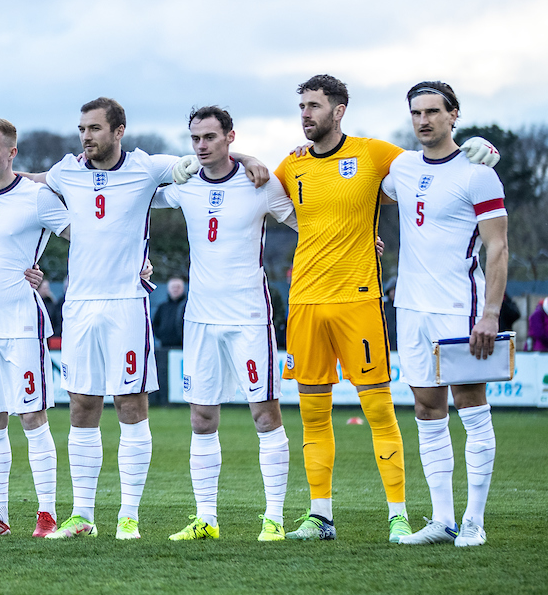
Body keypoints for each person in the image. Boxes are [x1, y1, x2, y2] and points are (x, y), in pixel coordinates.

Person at [0, 97, 267, 539]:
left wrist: (246, 156)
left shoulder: (147, 168)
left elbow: (204, 161)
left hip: (126, 305)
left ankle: (128, 516)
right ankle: (83, 516)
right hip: (78, 306)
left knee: (131, 405)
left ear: (118, 131)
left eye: (94, 128)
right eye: (81, 129)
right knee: (82, 407)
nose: (86, 137)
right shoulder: (67, 171)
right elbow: (27, 180)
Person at [271, 74, 497, 543]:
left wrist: (485, 146)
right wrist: (248, 161)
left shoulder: (378, 155)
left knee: (388, 411)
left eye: (315, 105)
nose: (306, 114)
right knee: (330, 414)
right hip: (313, 303)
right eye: (302, 106)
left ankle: (408, 515)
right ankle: (324, 515)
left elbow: (443, 168)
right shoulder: (290, 166)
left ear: (339, 110)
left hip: (366, 301)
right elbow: (256, 197)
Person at [155, 106, 296, 541]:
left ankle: (274, 518)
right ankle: (206, 519)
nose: (201, 146)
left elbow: (307, 225)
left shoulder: (261, 183)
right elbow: (130, 191)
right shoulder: (184, 185)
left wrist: (365, 241)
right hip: (200, 319)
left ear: (230, 137)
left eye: (210, 137)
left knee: (265, 414)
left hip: (249, 317)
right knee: (200, 417)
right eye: (195, 138)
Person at [386, 82, 507, 547]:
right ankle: (443, 520)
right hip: (411, 308)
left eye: (434, 111)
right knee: (426, 408)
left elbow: (498, 245)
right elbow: (353, 177)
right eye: (416, 112)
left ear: (453, 115)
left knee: (471, 407)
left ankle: (474, 520)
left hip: (462, 307)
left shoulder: (478, 172)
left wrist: (491, 313)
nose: (424, 120)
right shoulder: (401, 166)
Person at [0, 118, 69, 538]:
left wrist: (48, 275)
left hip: (23, 325)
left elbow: (84, 234)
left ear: (12, 153)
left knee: (32, 417)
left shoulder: (37, 197)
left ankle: (46, 514)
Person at [151, 276, 187, 406]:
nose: (175, 290)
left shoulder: (188, 305)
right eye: (173, 287)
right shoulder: (163, 307)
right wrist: (162, 336)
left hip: (183, 348)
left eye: (178, 287)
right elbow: (155, 325)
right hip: (165, 348)